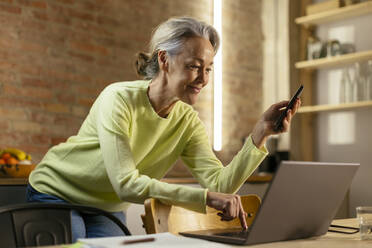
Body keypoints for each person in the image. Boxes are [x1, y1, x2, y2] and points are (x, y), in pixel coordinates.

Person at [27, 16, 300, 241]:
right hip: (57, 192)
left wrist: (260, 134)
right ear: (164, 60)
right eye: (194, 66)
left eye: (208, 69)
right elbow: (125, 184)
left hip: (105, 207)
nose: (203, 79)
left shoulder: (187, 121)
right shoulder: (118, 99)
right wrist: (206, 198)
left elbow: (220, 185)